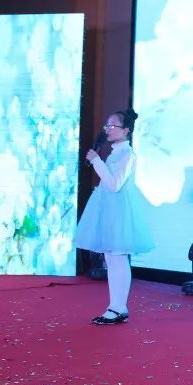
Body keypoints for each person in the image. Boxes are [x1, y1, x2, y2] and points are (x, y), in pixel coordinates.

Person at [74, 108, 154, 325]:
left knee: (117, 257)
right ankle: (116, 306)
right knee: (111, 257)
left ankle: (118, 307)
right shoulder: (115, 153)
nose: (107, 129)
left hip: (119, 211)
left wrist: (97, 162)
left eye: (112, 126)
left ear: (126, 130)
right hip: (109, 209)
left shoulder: (127, 155)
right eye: (106, 126)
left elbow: (115, 184)